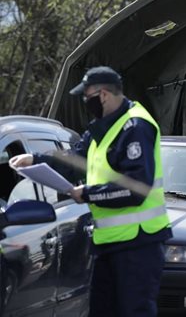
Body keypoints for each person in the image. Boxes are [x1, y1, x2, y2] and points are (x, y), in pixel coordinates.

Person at [10, 66, 171, 317]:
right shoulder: (104, 125)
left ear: (103, 94)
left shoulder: (136, 127)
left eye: (87, 96)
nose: (86, 102)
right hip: (109, 242)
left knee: (134, 311)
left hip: (138, 242)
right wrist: (35, 159)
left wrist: (87, 194)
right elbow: (75, 158)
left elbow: (137, 188)